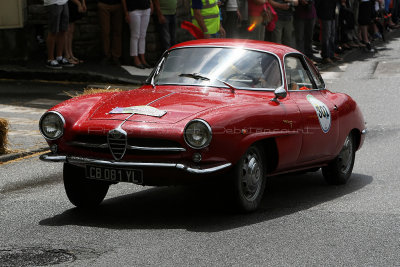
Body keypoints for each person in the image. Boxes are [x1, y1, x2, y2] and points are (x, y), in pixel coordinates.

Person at [44, 0, 74, 69]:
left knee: (63, 30)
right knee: (53, 31)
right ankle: (50, 59)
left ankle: (59, 57)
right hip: (53, 2)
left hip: (64, 2)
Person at [122, 0, 152, 69]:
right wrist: (126, 12)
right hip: (133, 10)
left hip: (146, 8)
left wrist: (150, 3)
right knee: (135, 35)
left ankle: (143, 58)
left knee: (143, 35)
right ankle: (135, 58)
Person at [98, 0, 123, 66]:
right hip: (103, 4)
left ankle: (116, 56)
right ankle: (106, 55)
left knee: (117, 32)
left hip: (118, 4)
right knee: (105, 32)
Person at [64, 0, 87, 65]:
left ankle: (70, 54)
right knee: (67, 31)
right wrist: (79, 3)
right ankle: (66, 55)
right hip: (68, 4)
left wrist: (83, 3)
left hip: (74, 4)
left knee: (71, 31)